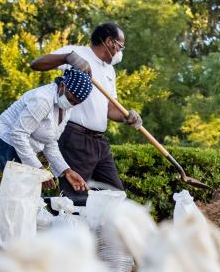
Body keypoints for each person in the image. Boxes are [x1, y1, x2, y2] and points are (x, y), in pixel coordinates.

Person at [29, 22, 142, 199]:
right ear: (109, 41)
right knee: (74, 198)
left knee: (115, 196)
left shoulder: (110, 70)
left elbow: (111, 109)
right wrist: (67, 58)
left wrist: (127, 116)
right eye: (120, 46)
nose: (120, 51)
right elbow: (36, 64)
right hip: (75, 138)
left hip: (99, 143)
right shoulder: (77, 53)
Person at [0, 68, 92, 192]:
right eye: (71, 99)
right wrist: (38, 169)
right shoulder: (42, 99)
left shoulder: (66, 107)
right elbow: (18, 134)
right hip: (3, 141)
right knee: (23, 192)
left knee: (26, 194)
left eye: (76, 103)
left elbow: (50, 141)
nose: (71, 104)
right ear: (63, 85)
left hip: (15, 143)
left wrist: (67, 171)